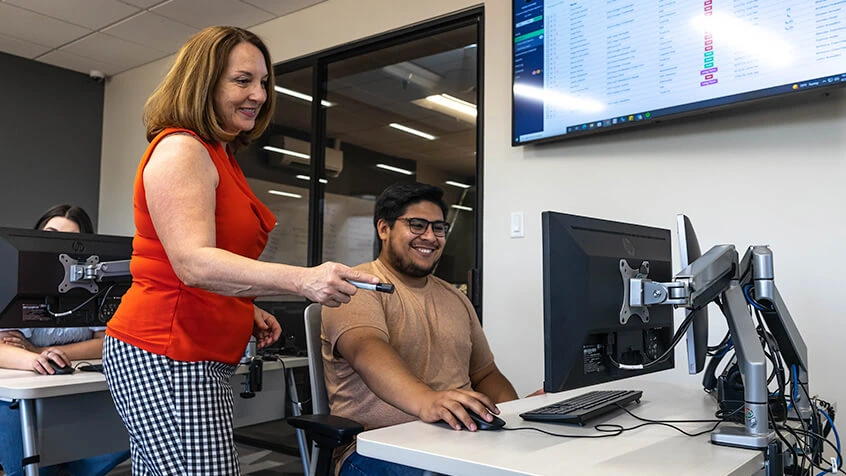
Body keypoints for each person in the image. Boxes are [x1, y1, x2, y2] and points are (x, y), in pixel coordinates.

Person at [101, 26, 379, 475]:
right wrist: (303, 279)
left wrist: (242, 306)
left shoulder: (219, 154)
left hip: (192, 351)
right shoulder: (182, 149)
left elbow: (206, 261)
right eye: (243, 80)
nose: (260, 95)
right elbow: (192, 262)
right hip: (167, 350)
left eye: (264, 82)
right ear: (204, 84)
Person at [322, 182, 520, 475]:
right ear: (384, 229)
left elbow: (485, 374)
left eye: (438, 228)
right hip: (377, 449)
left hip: (459, 440)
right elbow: (366, 350)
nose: (430, 237)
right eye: (417, 225)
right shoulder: (357, 286)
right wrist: (429, 401)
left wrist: (519, 417)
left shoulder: (456, 298)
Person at [0, 204, 129, 476]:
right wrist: (35, 358)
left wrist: (42, 350)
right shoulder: (13, 278)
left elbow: (106, 342)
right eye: (50, 235)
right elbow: (3, 347)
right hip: (21, 396)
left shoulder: (93, 287)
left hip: (73, 393)